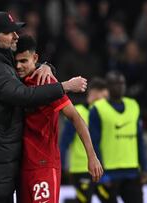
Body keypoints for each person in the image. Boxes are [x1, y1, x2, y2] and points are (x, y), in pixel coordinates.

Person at [0, 11, 87, 203]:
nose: (15, 36)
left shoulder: (1, 55)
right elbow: (23, 95)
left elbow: (27, 66)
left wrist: (46, 67)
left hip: (6, 166)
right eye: (9, 33)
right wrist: (64, 86)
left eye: (15, 31)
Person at [13, 35, 103, 203]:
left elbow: (75, 117)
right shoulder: (14, 82)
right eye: (15, 61)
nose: (18, 66)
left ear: (34, 58)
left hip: (43, 165)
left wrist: (92, 156)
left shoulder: (46, 82)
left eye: (23, 61)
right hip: (22, 167)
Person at [89, 71, 147, 203]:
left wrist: (145, 167)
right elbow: (94, 143)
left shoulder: (133, 106)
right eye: (115, 84)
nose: (120, 86)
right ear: (108, 87)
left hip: (131, 170)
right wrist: (101, 173)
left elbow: (139, 139)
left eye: (122, 83)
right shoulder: (98, 109)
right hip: (109, 173)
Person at [60, 77, 109, 203]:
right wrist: (61, 166)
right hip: (81, 169)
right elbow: (65, 142)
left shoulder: (105, 114)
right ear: (92, 94)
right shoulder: (78, 112)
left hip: (102, 169)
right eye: (102, 98)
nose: (104, 102)